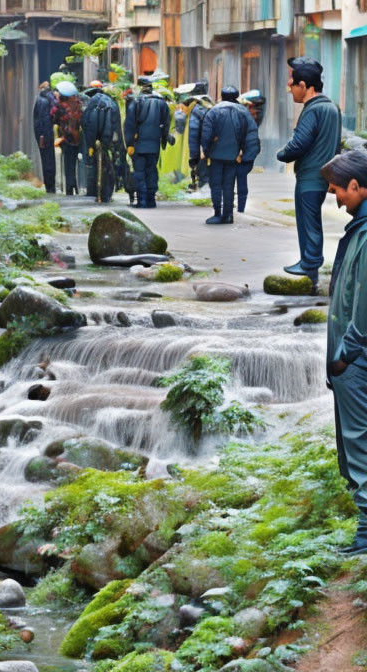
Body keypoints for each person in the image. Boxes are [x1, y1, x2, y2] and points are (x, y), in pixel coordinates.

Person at [321, 149, 367, 554]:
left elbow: (365, 306)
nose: (334, 197)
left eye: (338, 190)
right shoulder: (361, 228)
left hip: (355, 359)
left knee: (359, 440)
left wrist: (344, 355)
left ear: (358, 186)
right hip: (351, 357)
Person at [277, 56, 342, 287]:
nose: (290, 89)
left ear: (304, 86)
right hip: (323, 175)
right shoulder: (332, 108)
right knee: (312, 221)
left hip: (309, 177)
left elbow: (299, 143)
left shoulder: (312, 110)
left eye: (292, 85)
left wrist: (281, 155)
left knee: (308, 222)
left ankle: (309, 263)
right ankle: (310, 269)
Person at [200, 86, 255, 224]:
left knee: (216, 185)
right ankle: (229, 214)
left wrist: (205, 152)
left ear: (222, 96)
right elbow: (252, 134)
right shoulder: (243, 112)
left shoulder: (213, 111)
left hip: (216, 155)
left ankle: (217, 213)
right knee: (229, 186)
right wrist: (246, 154)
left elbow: (206, 135)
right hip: (234, 156)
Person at [123, 76, 171, 208]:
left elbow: (129, 125)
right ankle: (152, 200)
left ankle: (142, 200)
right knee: (152, 171)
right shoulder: (161, 103)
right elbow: (166, 124)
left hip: (139, 144)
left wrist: (130, 144)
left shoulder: (136, 102)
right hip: (154, 144)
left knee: (139, 172)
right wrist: (163, 141)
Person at [83, 81, 124, 203]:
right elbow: (117, 125)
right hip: (109, 139)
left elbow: (87, 124)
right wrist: (118, 144)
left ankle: (94, 192)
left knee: (94, 165)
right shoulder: (112, 104)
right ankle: (107, 194)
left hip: (96, 140)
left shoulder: (91, 105)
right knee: (108, 165)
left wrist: (90, 143)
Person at [51, 80, 86, 196]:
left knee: (68, 166)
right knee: (78, 164)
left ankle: (70, 189)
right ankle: (78, 186)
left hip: (66, 139)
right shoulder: (79, 104)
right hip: (79, 138)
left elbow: (53, 118)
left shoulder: (60, 107)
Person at [186, 80, 214, 190]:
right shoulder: (211, 105)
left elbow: (193, 132)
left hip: (201, 148)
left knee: (202, 170)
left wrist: (194, 155)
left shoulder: (196, 109)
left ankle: (204, 190)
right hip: (214, 146)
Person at [235, 95, 261, 213]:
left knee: (234, 180)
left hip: (242, 154)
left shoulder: (239, 116)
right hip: (247, 153)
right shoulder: (248, 118)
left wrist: (239, 153)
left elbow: (239, 136)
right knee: (241, 180)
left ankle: (235, 208)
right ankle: (240, 208)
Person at [34, 82, 57, 193]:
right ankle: (51, 185)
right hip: (50, 133)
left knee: (46, 161)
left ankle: (50, 187)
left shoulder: (41, 101)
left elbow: (41, 120)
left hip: (44, 134)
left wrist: (41, 137)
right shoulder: (51, 99)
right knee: (51, 160)